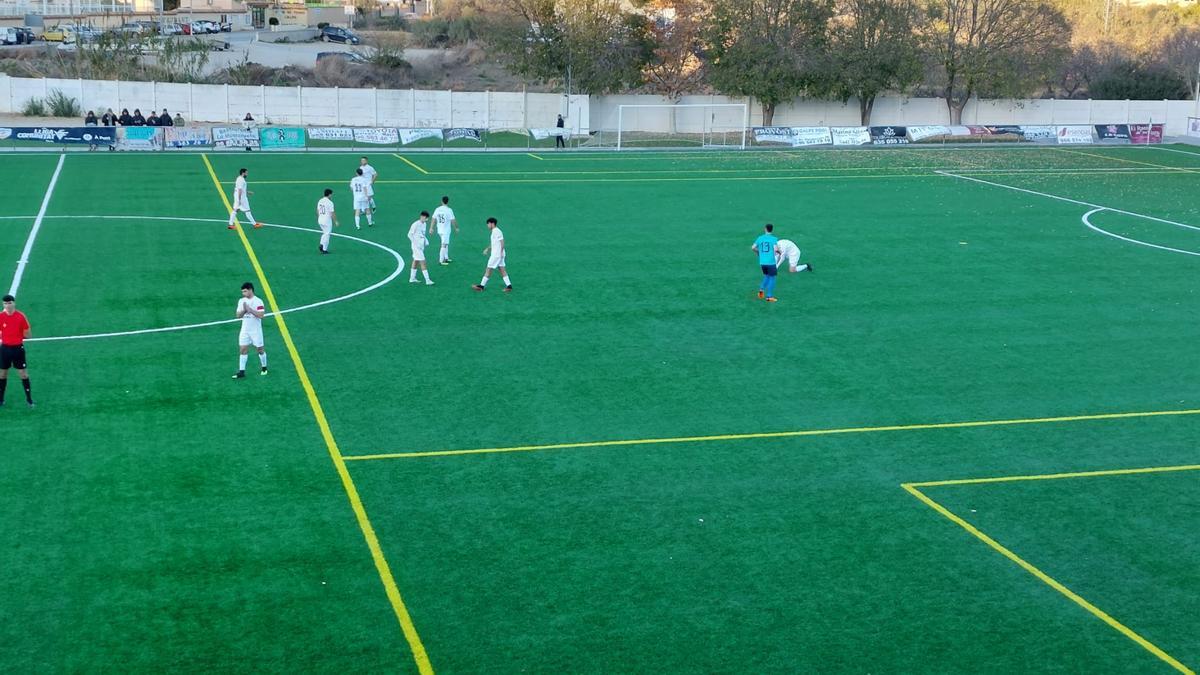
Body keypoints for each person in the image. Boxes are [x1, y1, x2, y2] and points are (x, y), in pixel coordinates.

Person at [0, 295, 34, 407]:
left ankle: (29, 399)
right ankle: (1, 399)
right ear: (3, 305)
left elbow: (28, 334)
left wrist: (18, 336)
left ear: (14, 303)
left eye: (9, 303)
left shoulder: (20, 317)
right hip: (4, 349)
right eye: (5, 303)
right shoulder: (1, 317)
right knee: (2, 374)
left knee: (23, 374)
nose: (7, 305)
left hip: (17, 349)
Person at [233, 282, 267, 379]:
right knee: (243, 349)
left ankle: (264, 367)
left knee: (260, 350)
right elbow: (238, 316)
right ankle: (241, 372)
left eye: (245, 291)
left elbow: (261, 315)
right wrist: (244, 310)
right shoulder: (241, 301)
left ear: (250, 290)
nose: (243, 293)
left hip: (256, 330)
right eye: (242, 292)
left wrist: (250, 310)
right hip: (245, 330)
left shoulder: (258, 301)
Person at [472, 217, 512, 292]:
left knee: (488, 269)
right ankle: (509, 286)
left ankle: (481, 286)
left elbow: (502, 242)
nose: (487, 226)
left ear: (492, 224)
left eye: (488, 224)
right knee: (502, 270)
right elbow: (494, 243)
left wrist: (500, 253)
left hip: (496, 255)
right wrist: (487, 249)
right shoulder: (494, 231)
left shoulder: (497, 231)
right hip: (499, 255)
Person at [752, 223, 779, 302]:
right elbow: (775, 249)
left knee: (767, 276)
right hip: (770, 262)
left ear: (765, 229)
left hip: (762, 262)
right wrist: (779, 252)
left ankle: (761, 292)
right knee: (772, 278)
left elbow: (753, 247)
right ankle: (769, 296)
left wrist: (758, 252)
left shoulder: (760, 238)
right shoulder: (773, 239)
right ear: (772, 229)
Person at [408, 211, 434, 285]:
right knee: (423, 262)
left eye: (426, 218)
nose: (426, 219)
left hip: (421, 246)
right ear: (422, 216)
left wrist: (425, 241)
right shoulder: (415, 224)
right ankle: (427, 280)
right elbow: (409, 235)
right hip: (417, 247)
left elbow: (422, 234)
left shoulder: (424, 224)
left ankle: (412, 278)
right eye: (425, 218)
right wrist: (416, 243)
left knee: (415, 261)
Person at [431, 195, 458, 264]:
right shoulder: (449, 210)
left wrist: (431, 228)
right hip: (446, 230)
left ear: (442, 201)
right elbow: (453, 220)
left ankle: (446, 257)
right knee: (444, 244)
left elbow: (433, 219)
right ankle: (441, 260)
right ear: (447, 202)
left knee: (445, 243)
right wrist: (456, 228)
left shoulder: (437, 209)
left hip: (439, 229)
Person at [317, 188, 338, 254]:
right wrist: (335, 221)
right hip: (327, 220)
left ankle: (321, 244)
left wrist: (319, 217)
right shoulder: (330, 202)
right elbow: (332, 213)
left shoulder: (320, 200)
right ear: (329, 194)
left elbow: (317, 210)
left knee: (324, 233)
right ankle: (324, 249)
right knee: (327, 234)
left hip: (320, 219)